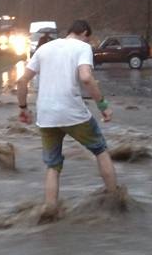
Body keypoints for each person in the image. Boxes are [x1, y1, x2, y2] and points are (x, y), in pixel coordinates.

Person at [16, 19, 121, 221]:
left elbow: (21, 81)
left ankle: (50, 212)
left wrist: (23, 109)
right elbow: (86, 78)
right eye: (87, 37)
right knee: (100, 150)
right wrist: (103, 106)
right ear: (83, 33)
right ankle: (115, 199)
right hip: (73, 113)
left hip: (46, 116)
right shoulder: (82, 47)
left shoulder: (44, 49)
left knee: (53, 166)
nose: (87, 41)